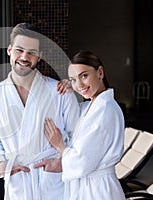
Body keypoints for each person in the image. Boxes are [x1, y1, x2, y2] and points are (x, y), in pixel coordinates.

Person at [0, 22, 80, 200]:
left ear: (39, 57)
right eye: (19, 50)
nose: (24, 57)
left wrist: (60, 162)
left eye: (31, 52)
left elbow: (79, 136)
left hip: (54, 181)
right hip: (18, 182)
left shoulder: (59, 92)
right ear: (9, 50)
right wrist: (0, 165)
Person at [44, 50, 125, 200]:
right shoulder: (91, 107)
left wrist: (59, 145)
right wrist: (70, 88)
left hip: (98, 190)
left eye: (84, 76)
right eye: (73, 79)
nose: (79, 84)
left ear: (100, 73)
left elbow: (81, 161)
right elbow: (76, 114)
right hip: (90, 186)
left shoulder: (105, 111)